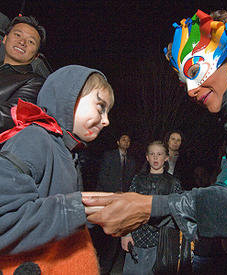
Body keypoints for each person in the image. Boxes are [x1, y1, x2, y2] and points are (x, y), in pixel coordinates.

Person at [83, 9, 227, 274]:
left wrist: (156, 207)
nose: (190, 90)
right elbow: (226, 191)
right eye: (183, 79)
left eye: (194, 70)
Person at [0, 65, 114, 274]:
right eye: (100, 106)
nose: (106, 121)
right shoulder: (34, 139)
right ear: (68, 98)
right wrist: (78, 208)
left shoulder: (69, 152)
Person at [121, 140, 183, 274]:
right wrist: (125, 234)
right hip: (137, 238)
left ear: (166, 158)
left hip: (161, 242)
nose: (155, 157)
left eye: (159, 154)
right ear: (147, 157)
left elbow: (178, 214)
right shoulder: (137, 179)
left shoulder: (173, 183)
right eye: (152, 154)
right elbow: (127, 208)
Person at [93, 134, 136, 274]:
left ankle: (107, 268)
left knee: (116, 238)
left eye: (128, 140)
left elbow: (131, 181)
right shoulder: (109, 156)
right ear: (118, 142)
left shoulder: (131, 161)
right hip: (107, 200)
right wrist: (114, 193)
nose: (126, 141)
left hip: (122, 203)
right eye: (123, 139)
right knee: (103, 237)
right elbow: (102, 177)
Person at [0, 15, 46, 133]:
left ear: (36, 56)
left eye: (31, 41)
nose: (22, 42)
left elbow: (9, 117)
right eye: (17, 35)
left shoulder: (35, 82)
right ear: (5, 39)